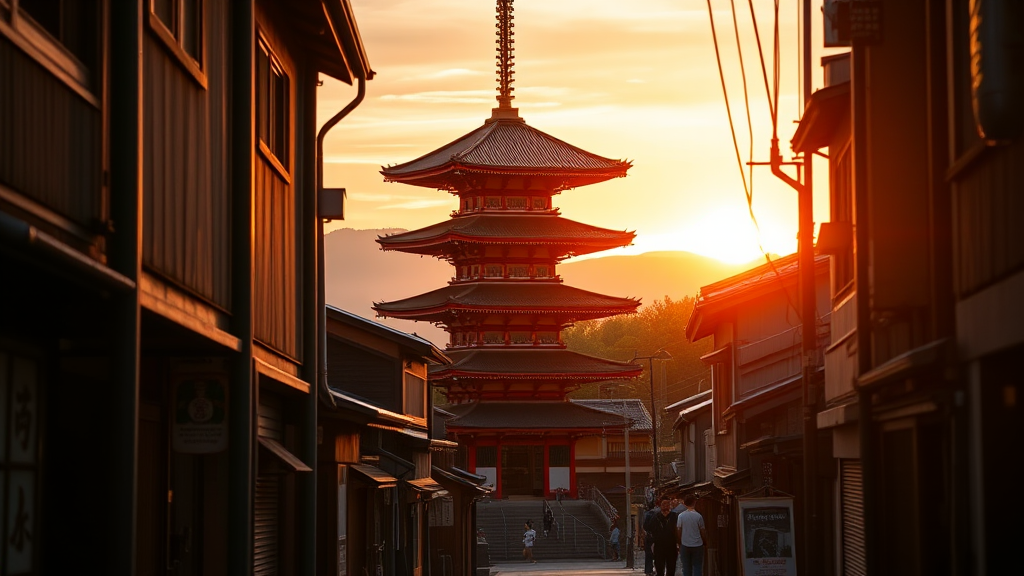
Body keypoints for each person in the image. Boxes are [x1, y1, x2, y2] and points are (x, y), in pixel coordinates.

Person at [644, 496, 679, 576]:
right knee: (659, 567)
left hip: (671, 545)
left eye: (667, 504)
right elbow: (648, 528)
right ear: (660, 505)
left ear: (670, 505)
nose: (666, 506)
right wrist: (652, 541)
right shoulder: (655, 517)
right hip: (658, 545)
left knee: (671, 567)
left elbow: (678, 529)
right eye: (664, 504)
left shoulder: (674, 516)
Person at [676, 495, 709, 576]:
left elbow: (679, 530)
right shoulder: (698, 516)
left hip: (685, 544)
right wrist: (705, 542)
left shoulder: (681, 516)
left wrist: (679, 543)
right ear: (694, 502)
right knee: (697, 566)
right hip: (698, 544)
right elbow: (702, 531)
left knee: (686, 568)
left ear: (685, 504)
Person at [640, 502, 659, 575]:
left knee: (648, 554)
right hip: (657, 536)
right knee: (658, 554)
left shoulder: (646, 514)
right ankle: (658, 569)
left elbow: (644, 526)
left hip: (649, 536)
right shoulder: (658, 514)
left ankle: (648, 570)